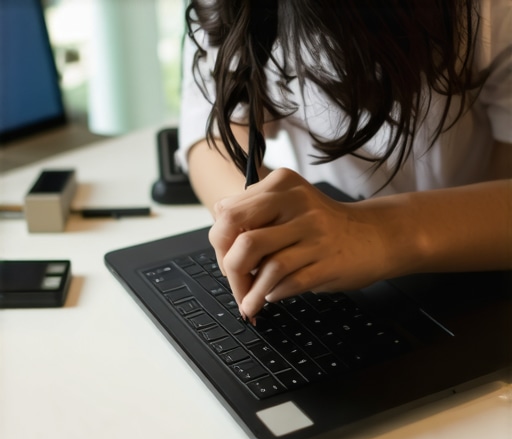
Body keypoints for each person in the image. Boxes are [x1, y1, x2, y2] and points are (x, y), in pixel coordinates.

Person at [177, 0, 512, 323]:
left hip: (471, 279)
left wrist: (379, 234)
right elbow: (213, 132)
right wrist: (258, 227)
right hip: (339, 277)